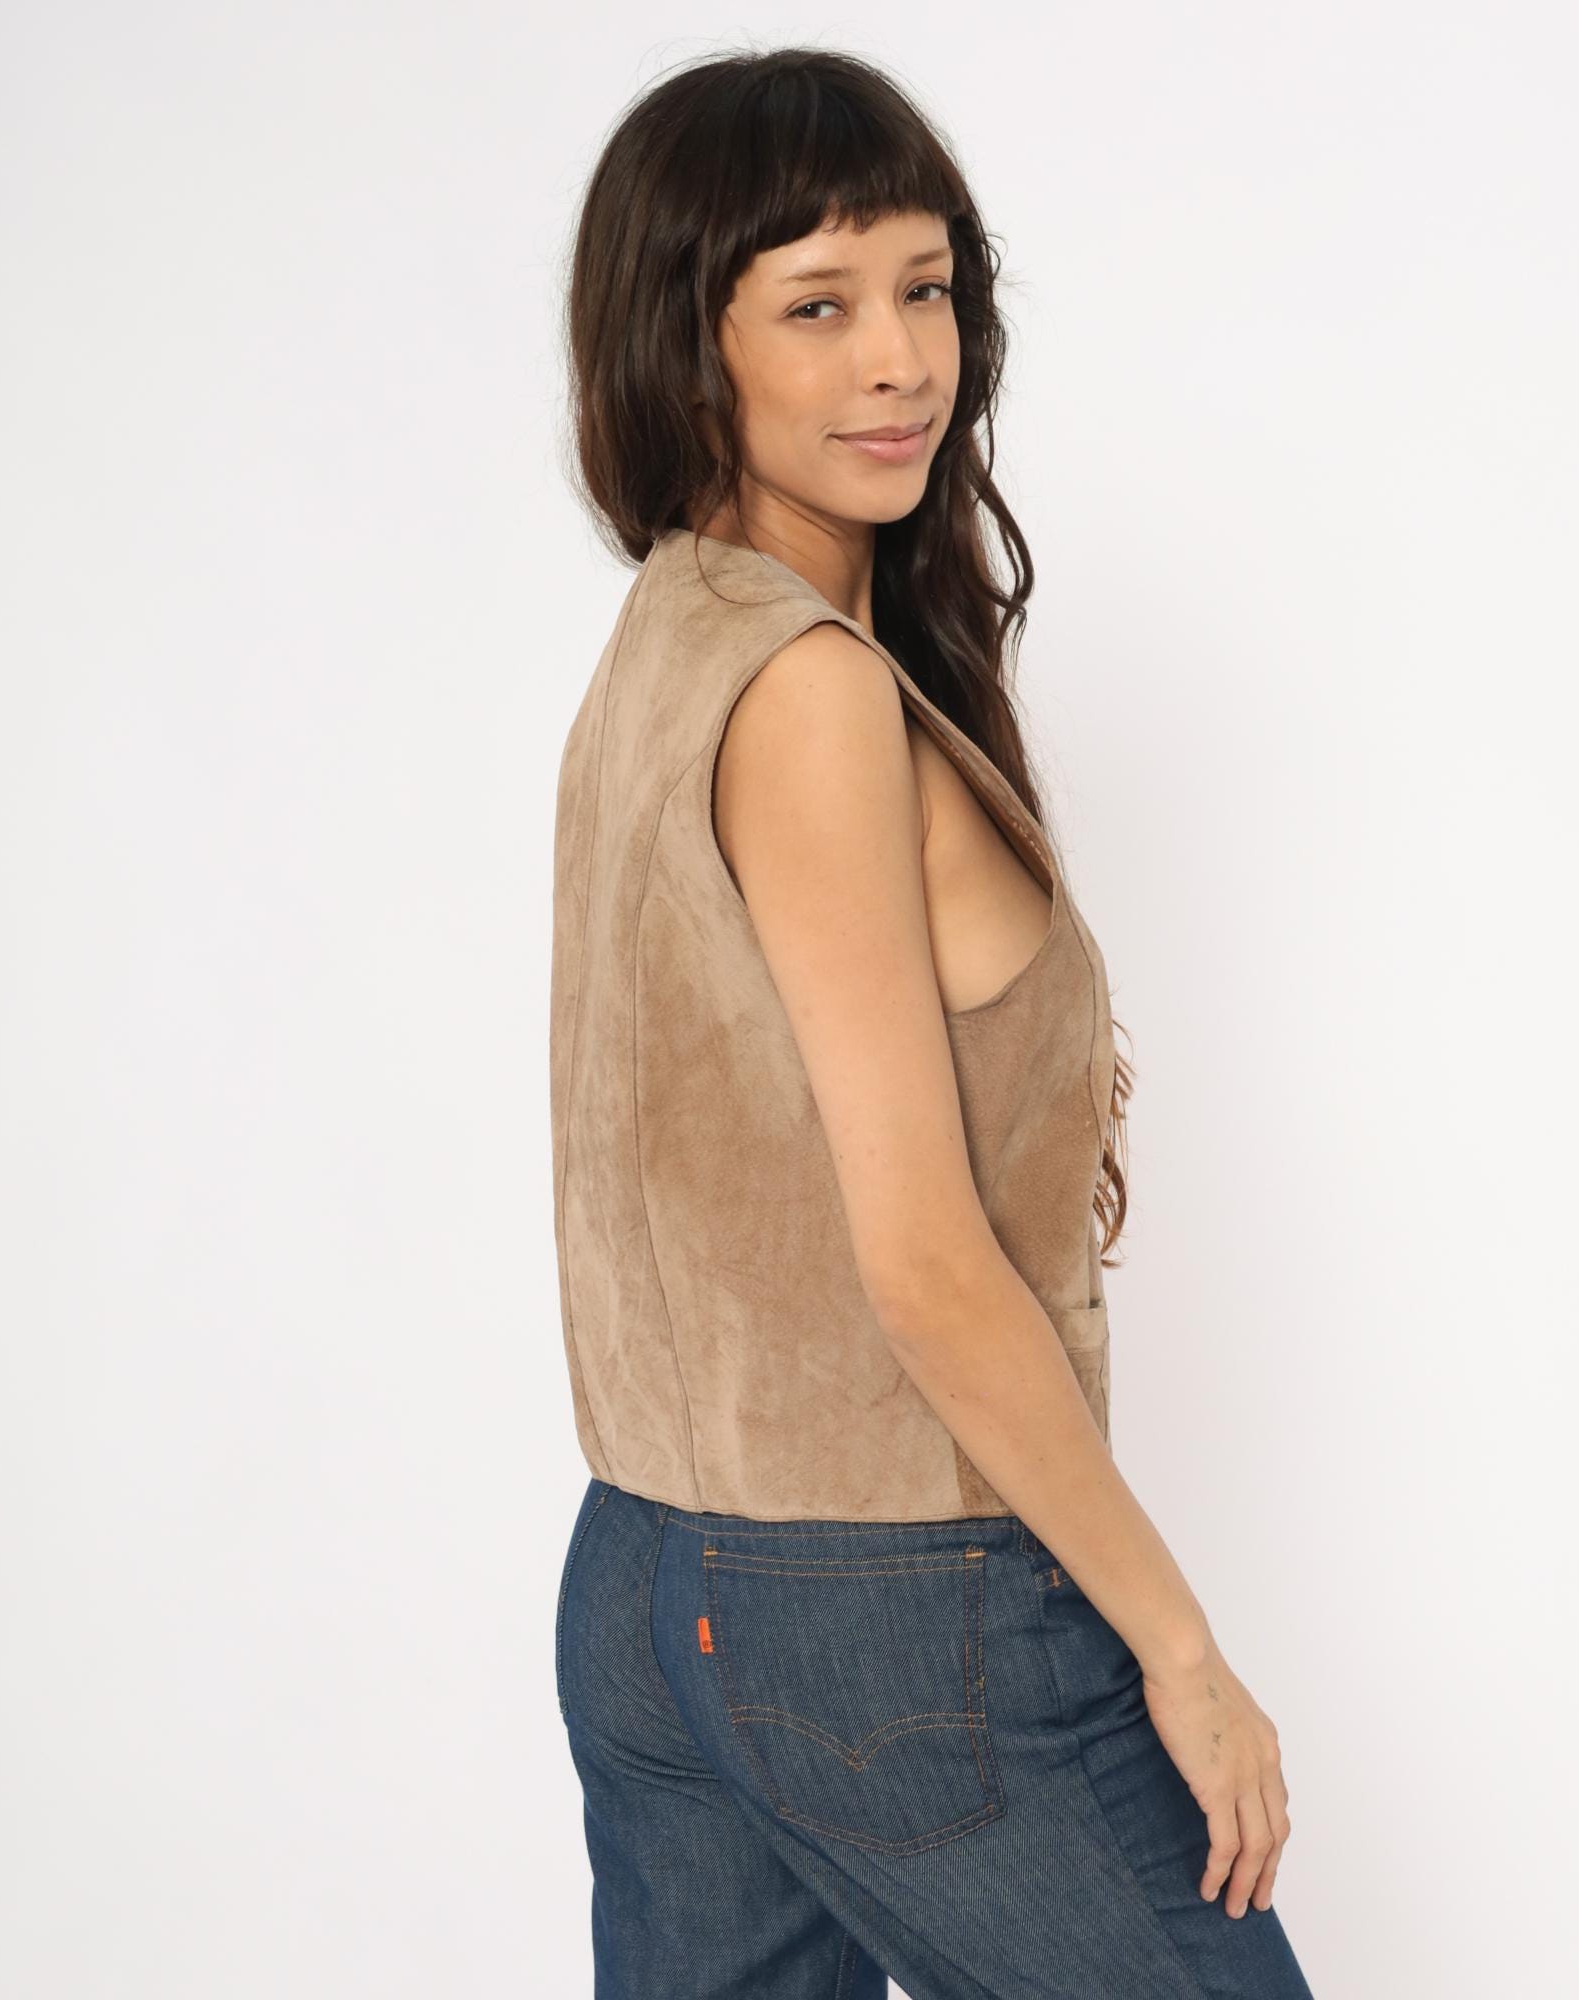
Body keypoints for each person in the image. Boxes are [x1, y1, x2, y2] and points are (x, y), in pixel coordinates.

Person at [548, 46, 1313, 1999]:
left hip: (653, 1577)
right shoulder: (806, 694)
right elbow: (918, 1261)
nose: (899, 360)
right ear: (685, 345)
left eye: (926, 288)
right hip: (884, 1610)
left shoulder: (670, 641)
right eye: (817, 306)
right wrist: (1179, 1649)